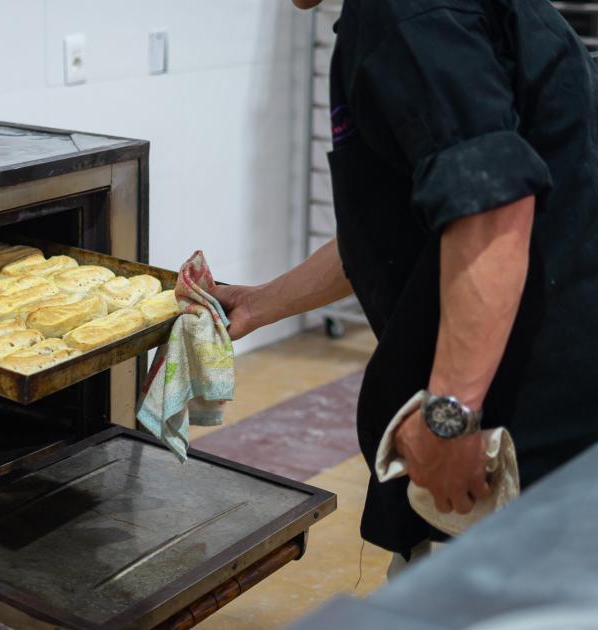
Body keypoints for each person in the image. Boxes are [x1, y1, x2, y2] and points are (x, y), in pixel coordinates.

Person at [213, 0, 598, 563]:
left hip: (526, 438)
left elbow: (489, 212)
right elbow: (411, 226)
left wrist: (449, 419)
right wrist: (261, 303)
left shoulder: (401, 11)